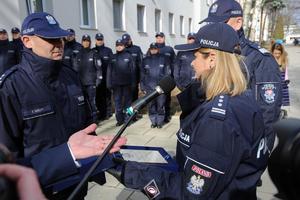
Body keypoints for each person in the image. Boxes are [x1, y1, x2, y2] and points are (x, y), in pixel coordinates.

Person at [109, 23, 269, 200]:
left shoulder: (217, 121)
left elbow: (189, 193)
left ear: (212, 59)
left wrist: (130, 173)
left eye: (197, 55)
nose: (192, 62)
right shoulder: (243, 98)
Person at [0, 12, 126, 199]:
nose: (59, 44)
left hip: (76, 183)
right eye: (50, 39)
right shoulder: (11, 87)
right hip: (40, 189)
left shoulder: (70, 76)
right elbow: (7, 161)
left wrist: (101, 159)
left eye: (60, 38)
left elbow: (86, 127)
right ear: (27, 41)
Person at [199, 0, 282, 150]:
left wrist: (259, 152)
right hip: (215, 137)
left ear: (238, 23)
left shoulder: (260, 60)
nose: (213, 29)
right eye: (211, 24)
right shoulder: (214, 53)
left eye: (221, 23)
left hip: (243, 146)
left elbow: (268, 114)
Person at [73, 34, 102, 121]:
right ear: (82, 42)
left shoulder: (94, 53)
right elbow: (75, 69)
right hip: (81, 83)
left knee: (92, 101)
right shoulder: (78, 54)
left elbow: (99, 68)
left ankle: (94, 119)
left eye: (87, 41)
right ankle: (86, 119)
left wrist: (99, 79)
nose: (86, 42)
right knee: (82, 102)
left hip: (91, 83)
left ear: (90, 42)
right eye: (84, 41)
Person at [141, 43, 170, 128]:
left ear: (158, 49)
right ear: (150, 49)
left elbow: (167, 73)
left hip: (160, 87)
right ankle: (153, 121)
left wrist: (164, 85)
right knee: (151, 106)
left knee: (160, 105)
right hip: (149, 87)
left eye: (155, 48)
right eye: (152, 48)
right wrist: (142, 86)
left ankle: (160, 122)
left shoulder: (164, 59)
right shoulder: (145, 60)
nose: (153, 50)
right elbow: (142, 75)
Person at [107, 39, 135, 126]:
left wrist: (134, 83)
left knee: (128, 104)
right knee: (117, 103)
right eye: (117, 45)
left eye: (121, 45)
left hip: (127, 84)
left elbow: (133, 71)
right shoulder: (112, 57)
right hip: (116, 85)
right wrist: (108, 83)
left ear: (124, 46)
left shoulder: (129, 56)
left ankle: (128, 119)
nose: (119, 46)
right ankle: (119, 120)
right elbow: (109, 71)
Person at [122, 33, 143, 121]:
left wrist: (140, 79)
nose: (126, 43)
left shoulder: (136, 49)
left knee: (134, 98)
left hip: (134, 79)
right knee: (126, 98)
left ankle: (133, 115)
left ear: (130, 40)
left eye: (127, 41)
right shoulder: (122, 50)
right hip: (125, 79)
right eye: (124, 42)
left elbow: (141, 64)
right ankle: (127, 114)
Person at [155, 32, 176, 123]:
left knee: (167, 98)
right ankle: (157, 116)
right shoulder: (152, 49)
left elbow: (174, 62)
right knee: (156, 98)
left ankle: (166, 116)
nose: (159, 39)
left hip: (167, 79)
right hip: (155, 79)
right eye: (157, 37)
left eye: (161, 37)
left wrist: (173, 76)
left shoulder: (169, 49)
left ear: (164, 38)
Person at [93, 33, 113, 121]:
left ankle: (108, 113)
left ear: (103, 40)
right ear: (95, 40)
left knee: (107, 97)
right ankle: (100, 114)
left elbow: (112, 65)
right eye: (98, 39)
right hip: (97, 79)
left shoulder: (108, 51)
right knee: (98, 97)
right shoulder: (92, 51)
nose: (99, 41)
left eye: (101, 39)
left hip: (106, 78)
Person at [271, 41, 290, 118]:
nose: (277, 55)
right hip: (273, 81)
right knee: (273, 99)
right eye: (275, 53)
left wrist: (287, 80)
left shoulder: (284, 60)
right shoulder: (269, 59)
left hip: (282, 81)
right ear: (272, 52)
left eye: (279, 53)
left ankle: (280, 113)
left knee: (282, 99)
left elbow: (286, 71)